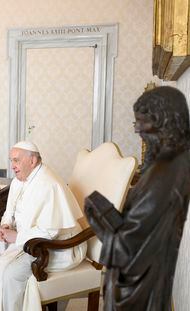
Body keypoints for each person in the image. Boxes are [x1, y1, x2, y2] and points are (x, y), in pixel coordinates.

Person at [85, 86, 190, 311]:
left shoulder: (165, 174)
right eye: (137, 123)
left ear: (164, 121)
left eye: (142, 123)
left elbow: (128, 247)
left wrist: (99, 218)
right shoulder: (166, 166)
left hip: (140, 287)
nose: (138, 130)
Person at [0, 141, 86, 311]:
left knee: (11, 274)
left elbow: (51, 231)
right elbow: (9, 210)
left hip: (55, 248)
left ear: (32, 161)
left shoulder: (49, 184)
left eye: (16, 160)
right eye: (11, 160)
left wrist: (17, 237)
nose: (12, 166)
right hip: (25, 240)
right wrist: (5, 225)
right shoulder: (19, 180)